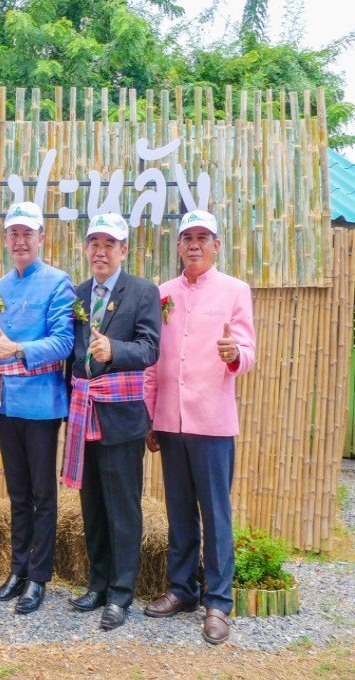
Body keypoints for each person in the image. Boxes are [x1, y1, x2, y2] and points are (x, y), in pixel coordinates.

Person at [143, 210, 256, 645]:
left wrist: (232, 353)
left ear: (216, 245)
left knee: (216, 513)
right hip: (171, 420)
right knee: (179, 511)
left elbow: (247, 351)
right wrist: (152, 416)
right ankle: (182, 589)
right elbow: (155, 360)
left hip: (212, 422)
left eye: (202, 237)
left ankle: (218, 603)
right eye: (187, 237)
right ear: (178, 246)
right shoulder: (163, 294)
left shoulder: (234, 291)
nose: (194, 244)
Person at [61, 213, 160, 630]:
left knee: (122, 506)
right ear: (86, 249)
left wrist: (113, 350)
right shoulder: (79, 294)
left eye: (109, 244)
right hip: (85, 412)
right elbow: (71, 353)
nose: (100, 251)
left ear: (124, 250)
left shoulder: (142, 292)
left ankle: (122, 594)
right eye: (93, 243)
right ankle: (97, 583)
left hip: (120, 416)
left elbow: (150, 348)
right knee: (93, 503)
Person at [0, 201, 74, 615]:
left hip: (42, 403)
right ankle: (17, 570)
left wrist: (18, 349)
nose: (20, 241)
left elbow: (63, 342)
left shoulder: (59, 283)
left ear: (42, 238)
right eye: (13, 234)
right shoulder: (0, 288)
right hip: (7, 403)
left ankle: (38, 577)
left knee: (42, 494)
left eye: (27, 233)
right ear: (5, 240)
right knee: (17, 493)